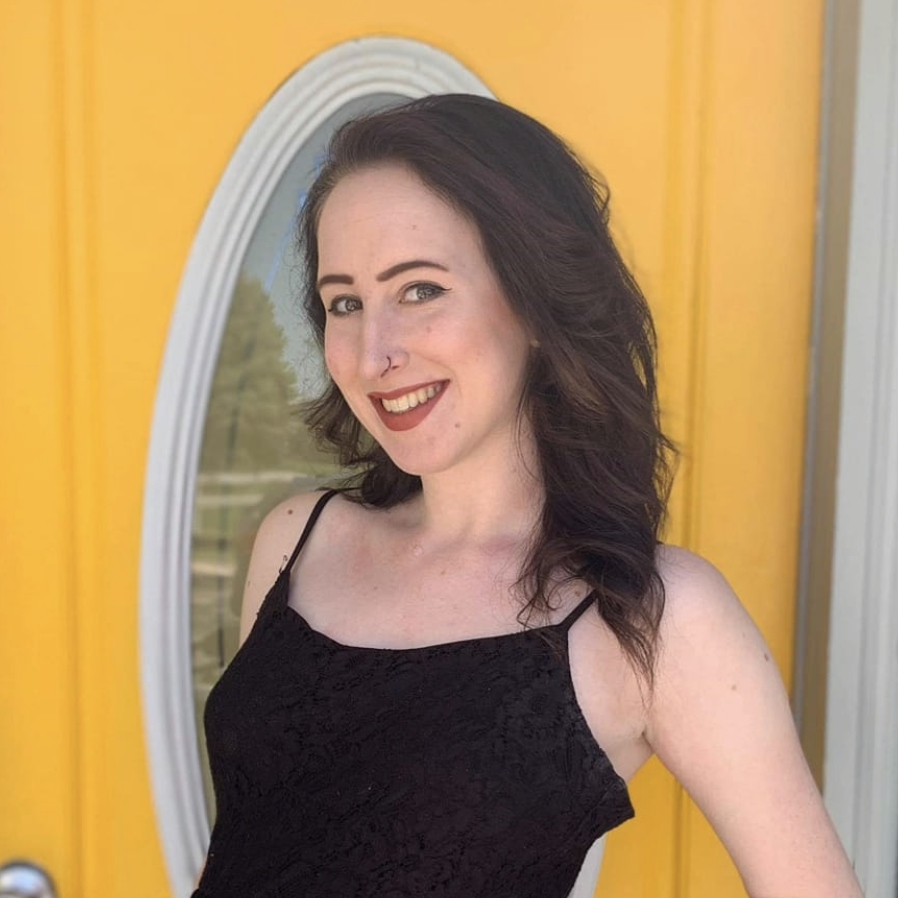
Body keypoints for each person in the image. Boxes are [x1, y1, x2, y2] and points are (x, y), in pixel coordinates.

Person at [193, 94, 862, 897]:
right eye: (345, 303)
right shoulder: (299, 539)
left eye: (419, 290)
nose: (373, 355)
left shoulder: (650, 617)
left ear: (535, 302)